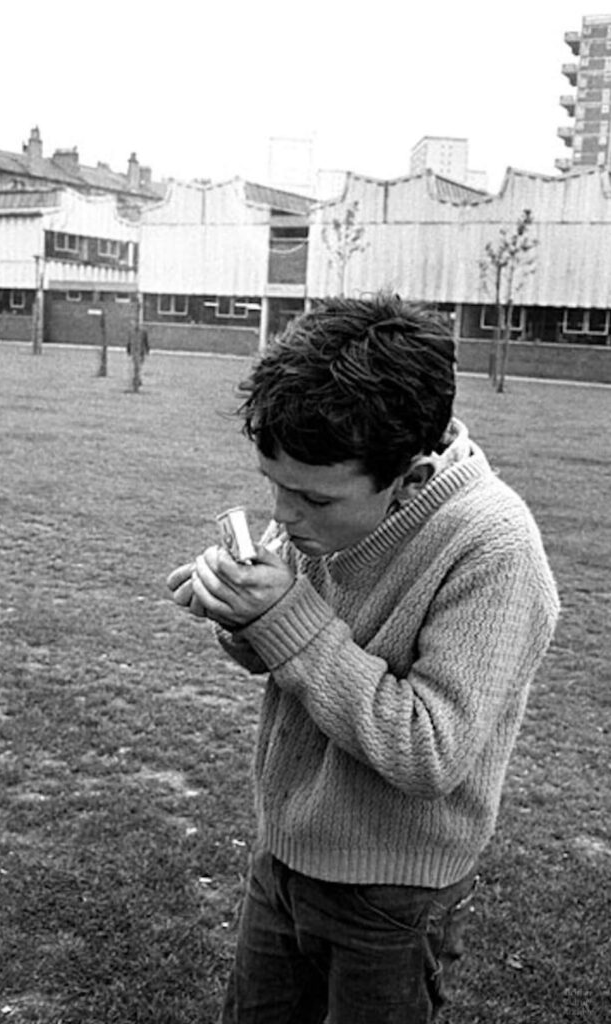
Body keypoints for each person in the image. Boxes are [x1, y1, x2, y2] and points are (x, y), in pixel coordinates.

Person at [166, 293, 560, 1024]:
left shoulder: (494, 549)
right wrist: (242, 617)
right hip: (282, 861)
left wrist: (286, 617)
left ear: (410, 478)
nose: (283, 517)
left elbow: (428, 750)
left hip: (392, 903)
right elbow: (287, 658)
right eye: (274, 486)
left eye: (311, 497)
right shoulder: (330, 519)